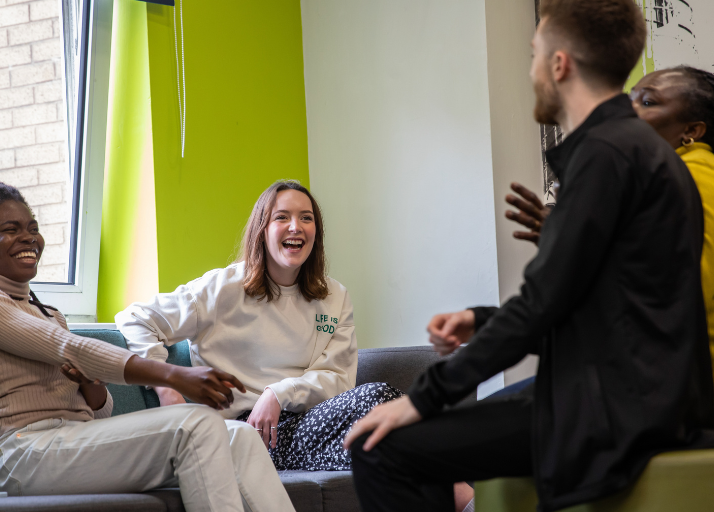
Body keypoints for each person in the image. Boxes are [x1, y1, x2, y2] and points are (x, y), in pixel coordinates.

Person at [343, 1, 714, 511]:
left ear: (559, 64)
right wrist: (480, 320)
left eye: (532, 56)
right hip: (646, 400)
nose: (530, 71)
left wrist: (420, 397)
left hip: (614, 414)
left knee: (380, 448)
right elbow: (593, 309)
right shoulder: (636, 149)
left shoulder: (605, 154)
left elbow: (541, 302)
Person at [0, 180, 294, 512]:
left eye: (32, 227)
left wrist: (91, 387)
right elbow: (67, 346)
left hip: (72, 441)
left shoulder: (48, 313)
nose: (28, 237)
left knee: (239, 436)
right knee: (195, 424)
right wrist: (176, 375)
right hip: (25, 454)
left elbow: (100, 410)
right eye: (10, 229)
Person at [115, 180, 475, 511]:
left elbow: (338, 377)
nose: (295, 227)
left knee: (384, 435)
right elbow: (135, 318)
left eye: (306, 218)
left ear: (315, 232)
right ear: (263, 229)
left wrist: (279, 393)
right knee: (378, 404)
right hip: (249, 436)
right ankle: (468, 500)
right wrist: (168, 389)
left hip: (312, 422)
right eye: (281, 217)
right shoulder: (222, 289)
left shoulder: (334, 296)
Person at [499, 66, 714, 438]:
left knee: (452, 432)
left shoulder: (697, 177)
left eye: (647, 102)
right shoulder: (676, 177)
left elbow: (671, 300)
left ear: (691, 131)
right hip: (707, 394)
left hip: (711, 401)